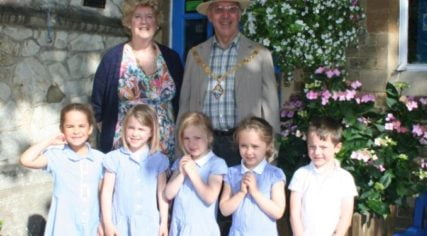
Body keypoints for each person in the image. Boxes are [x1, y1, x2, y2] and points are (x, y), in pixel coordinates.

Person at [178, 0, 280, 167]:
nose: (225, 15)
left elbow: (271, 111)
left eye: (232, 9)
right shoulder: (195, 55)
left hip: (245, 147)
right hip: (202, 146)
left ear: (239, 15)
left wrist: (271, 157)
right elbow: (185, 105)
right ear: (210, 16)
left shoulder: (260, 55)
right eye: (218, 9)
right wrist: (181, 150)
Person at [91, 0, 184, 159]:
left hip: (164, 145)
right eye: (137, 17)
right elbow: (97, 104)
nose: (144, 21)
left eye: (149, 16)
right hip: (125, 144)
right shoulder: (113, 58)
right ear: (129, 22)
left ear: (156, 23)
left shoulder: (171, 58)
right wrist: (108, 132)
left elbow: (182, 99)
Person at [19, 103, 105, 236]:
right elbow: (26, 160)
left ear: (90, 129)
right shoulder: (55, 156)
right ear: (62, 129)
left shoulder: (100, 159)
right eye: (70, 126)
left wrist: (104, 222)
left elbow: (103, 194)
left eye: (81, 126)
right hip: (64, 227)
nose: (76, 131)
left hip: (91, 226)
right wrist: (50, 141)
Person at [101, 104, 169, 236]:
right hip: (120, 224)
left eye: (141, 129)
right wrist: (107, 223)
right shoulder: (114, 158)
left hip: (148, 225)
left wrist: (164, 223)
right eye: (131, 128)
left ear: (151, 132)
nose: (135, 133)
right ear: (124, 128)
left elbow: (162, 194)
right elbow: (107, 192)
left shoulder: (158, 160)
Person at [289, 117, 358, 236]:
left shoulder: (345, 179)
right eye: (312, 146)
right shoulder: (301, 175)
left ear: (337, 148)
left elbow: (346, 218)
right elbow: (294, 214)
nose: (317, 152)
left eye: (323, 147)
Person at [219, 117, 286, 236]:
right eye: (244, 146)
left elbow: (278, 212)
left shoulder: (275, 174)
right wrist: (240, 193)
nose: (249, 152)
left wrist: (255, 192)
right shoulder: (231, 173)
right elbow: (224, 210)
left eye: (255, 146)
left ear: (268, 145)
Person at [165, 112, 228, 236]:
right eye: (186, 138)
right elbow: (168, 194)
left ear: (209, 137)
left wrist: (193, 174)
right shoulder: (181, 162)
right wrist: (182, 174)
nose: (192, 143)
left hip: (201, 229)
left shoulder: (216, 163)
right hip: (179, 227)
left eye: (197, 138)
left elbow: (210, 197)